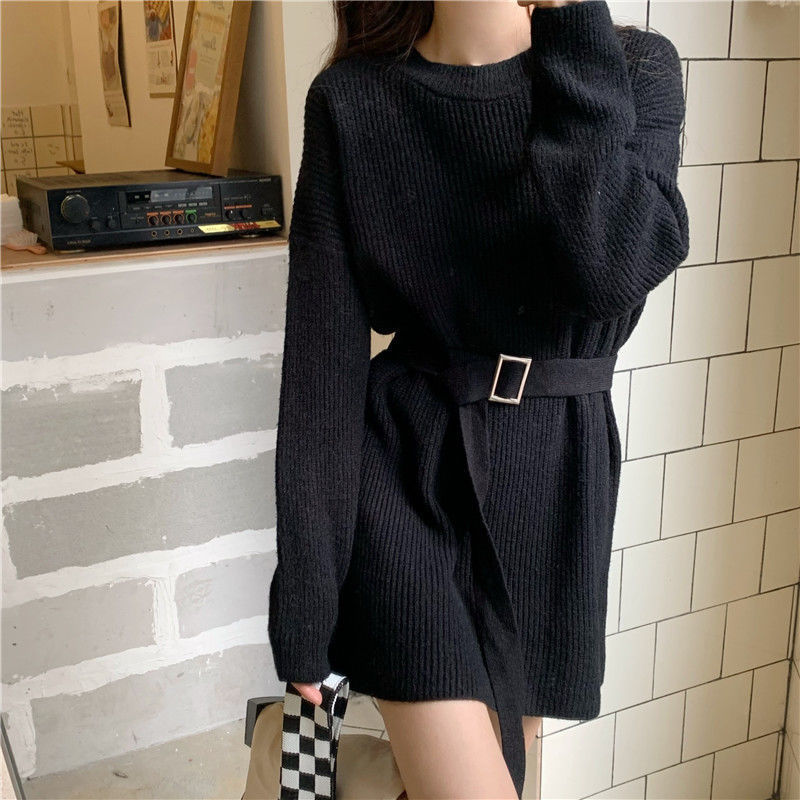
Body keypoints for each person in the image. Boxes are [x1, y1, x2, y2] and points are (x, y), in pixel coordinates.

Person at [268, 0, 690, 797]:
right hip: (401, 478)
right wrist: (306, 604)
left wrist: (573, 38)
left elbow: (611, 269)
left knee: (503, 778)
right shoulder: (354, 101)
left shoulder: (629, 70)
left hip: (553, 486)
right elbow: (321, 370)